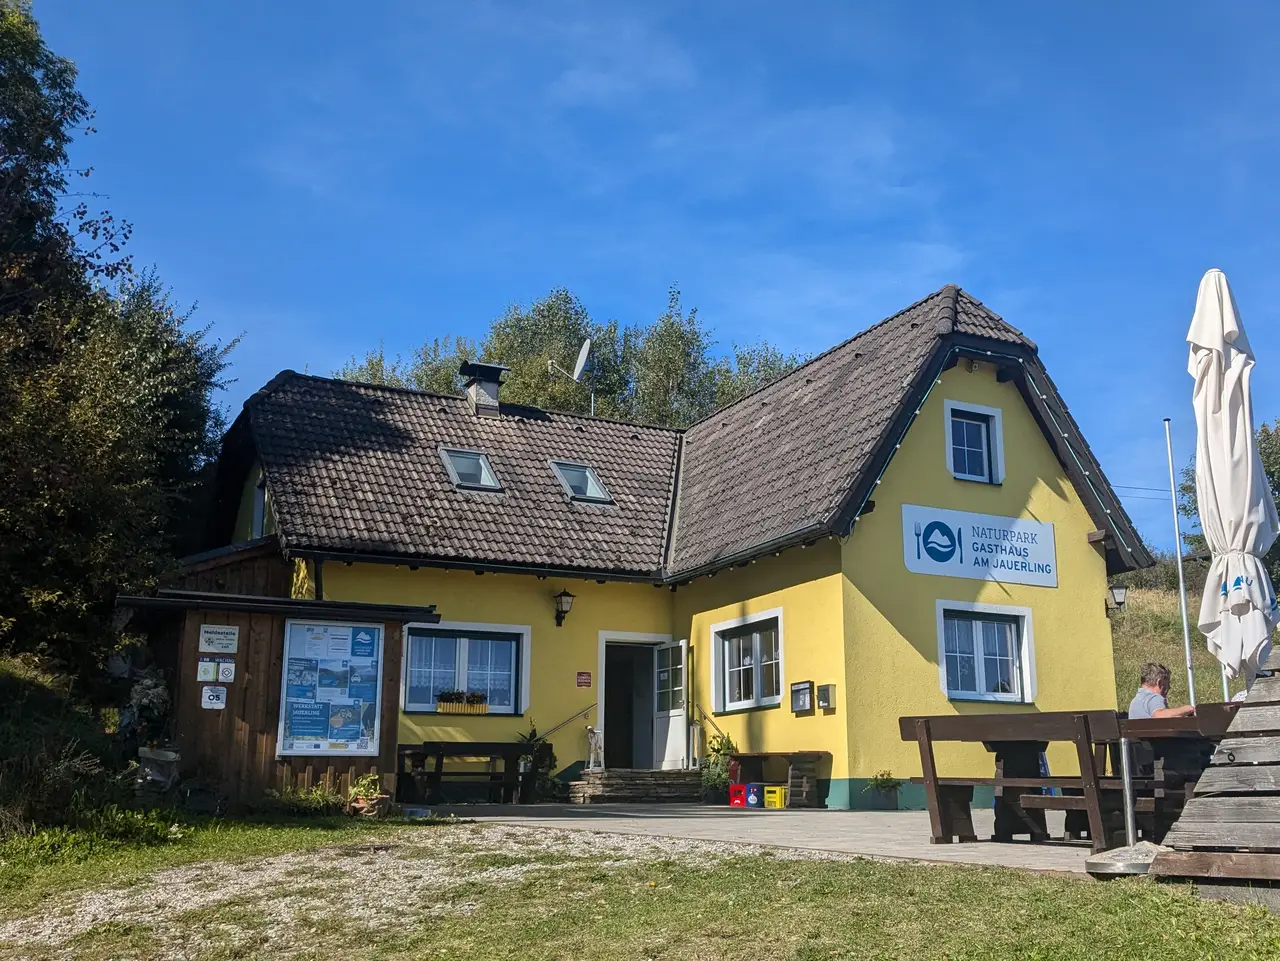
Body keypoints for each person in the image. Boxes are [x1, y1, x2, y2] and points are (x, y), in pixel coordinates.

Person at [1128, 662, 1196, 719]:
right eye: (1168, 683)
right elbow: (1160, 716)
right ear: (1159, 683)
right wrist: (1189, 709)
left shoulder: (1135, 701)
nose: (1169, 687)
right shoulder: (1154, 697)